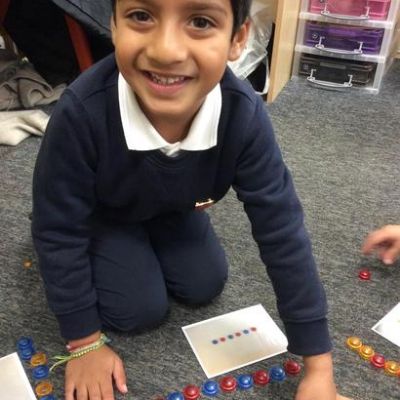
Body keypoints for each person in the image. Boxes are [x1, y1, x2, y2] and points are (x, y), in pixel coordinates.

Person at [31, 0, 351, 399]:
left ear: (237, 39)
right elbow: (58, 229)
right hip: (101, 213)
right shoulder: (82, 112)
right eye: (141, 16)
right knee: (138, 310)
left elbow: (282, 230)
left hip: (173, 206)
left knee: (205, 283)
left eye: (200, 21)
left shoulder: (243, 114)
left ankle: (155, 223)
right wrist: (84, 342)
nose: (166, 50)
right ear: (113, 24)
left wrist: (319, 367)